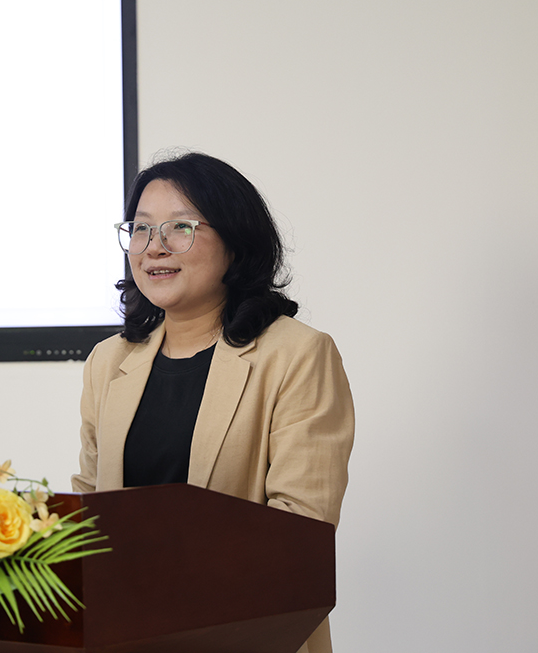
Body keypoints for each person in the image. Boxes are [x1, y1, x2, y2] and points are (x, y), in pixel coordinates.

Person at [71, 151, 354, 653]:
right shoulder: (108, 361)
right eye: (141, 229)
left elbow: (299, 532)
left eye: (180, 228)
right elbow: (88, 512)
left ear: (235, 243)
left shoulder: (297, 355)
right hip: (126, 634)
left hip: (250, 635)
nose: (154, 247)